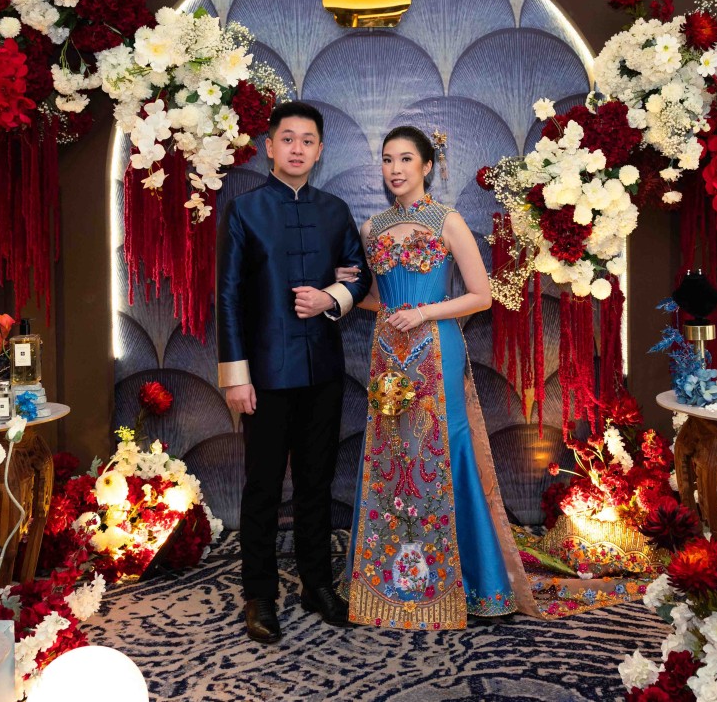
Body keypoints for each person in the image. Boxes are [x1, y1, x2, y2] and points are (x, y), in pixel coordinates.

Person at [338, 126, 537, 629]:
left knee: (442, 450)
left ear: (427, 166)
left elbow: (481, 296)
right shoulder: (373, 227)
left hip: (435, 347)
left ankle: (470, 582)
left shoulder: (447, 221)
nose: (396, 169)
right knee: (391, 453)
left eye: (406, 159)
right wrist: (345, 291)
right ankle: (390, 580)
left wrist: (425, 313)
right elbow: (379, 298)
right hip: (387, 351)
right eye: (388, 159)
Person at [216, 100, 372, 644]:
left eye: (308, 140)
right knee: (262, 486)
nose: (297, 148)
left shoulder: (335, 210)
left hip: (324, 370)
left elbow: (359, 274)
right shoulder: (245, 210)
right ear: (270, 147)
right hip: (263, 375)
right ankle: (259, 593)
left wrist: (331, 297)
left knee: (316, 483)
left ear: (320, 150)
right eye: (288, 139)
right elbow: (229, 296)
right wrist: (236, 376)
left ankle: (317, 584)